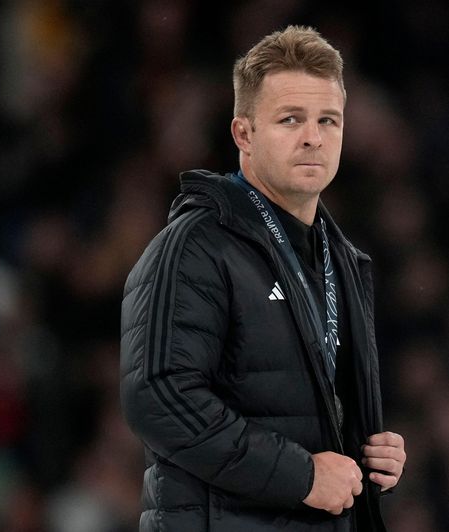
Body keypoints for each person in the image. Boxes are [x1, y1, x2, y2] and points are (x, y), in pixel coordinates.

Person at [120, 26, 405, 531]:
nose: (313, 136)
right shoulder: (196, 245)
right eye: (290, 119)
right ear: (243, 134)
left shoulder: (342, 259)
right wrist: (302, 476)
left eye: (328, 120)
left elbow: (304, 411)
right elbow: (160, 395)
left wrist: (368, 452)